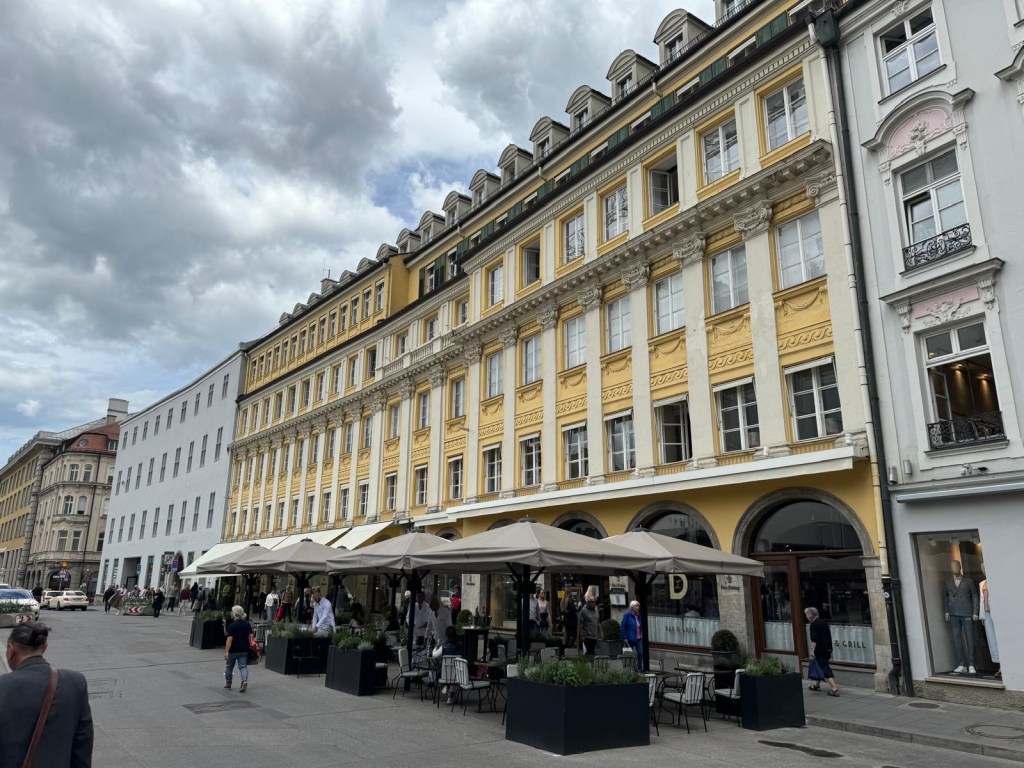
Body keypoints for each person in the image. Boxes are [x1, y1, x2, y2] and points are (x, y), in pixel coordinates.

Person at [0, 622, 93, 768]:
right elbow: (82, 744)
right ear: (44, 647)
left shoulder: (4, 686)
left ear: (11, 650)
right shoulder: (75, 682)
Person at [944, 560, 979, 675]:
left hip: (967, 612)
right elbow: (945, 597)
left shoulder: (969, 581)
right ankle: (961, 664)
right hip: (953, 613)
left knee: (970, 638)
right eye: (952, 566)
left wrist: (975, 612)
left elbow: (975, 596)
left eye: (956, 566)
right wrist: (946, 611)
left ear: (960, 567)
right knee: (956, 639)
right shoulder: (947, 582)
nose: (954, 568)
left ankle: (972, 664)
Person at [805, 607, 839, 696]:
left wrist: (812, 651)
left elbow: (814, 640)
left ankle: (834, 689)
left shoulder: (813, 624)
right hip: (827, 649)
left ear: (810, 615)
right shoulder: (823, 622)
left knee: (824, 667)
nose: (807, 617)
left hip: (819, 650)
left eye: (807, 615)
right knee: (821, 665)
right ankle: (816, 685)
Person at [223, 605, 253, 692]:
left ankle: (228, 684)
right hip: (244, 649)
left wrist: (227, 651)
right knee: (243, 666)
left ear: (234, 614)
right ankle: (244, 680)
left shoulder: (232, 626)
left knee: (229, 667)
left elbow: (229, 639)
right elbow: (251, 636)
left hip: (233, 650)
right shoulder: (247, 624)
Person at [431, 625, 463, 704]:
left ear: (446, 636)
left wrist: (435, 647)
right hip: (457, 676)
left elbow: (434, 655)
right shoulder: (460, 646)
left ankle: (447, 687)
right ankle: (451, 693)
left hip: (444, 675)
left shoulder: (444, 646)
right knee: (454, 672)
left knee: (442, 669)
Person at [620, 599, 644, 669]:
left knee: (640, 653)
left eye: (638, 606)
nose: (637, 608)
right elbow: (623, 627)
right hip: (630, 638)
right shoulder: (627, 614)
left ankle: (639, 669)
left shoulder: (638, 615)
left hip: (638, 638)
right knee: (629, 655)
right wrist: (625, 637)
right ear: (632, 607)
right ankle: (629, 669)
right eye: (636, 606)